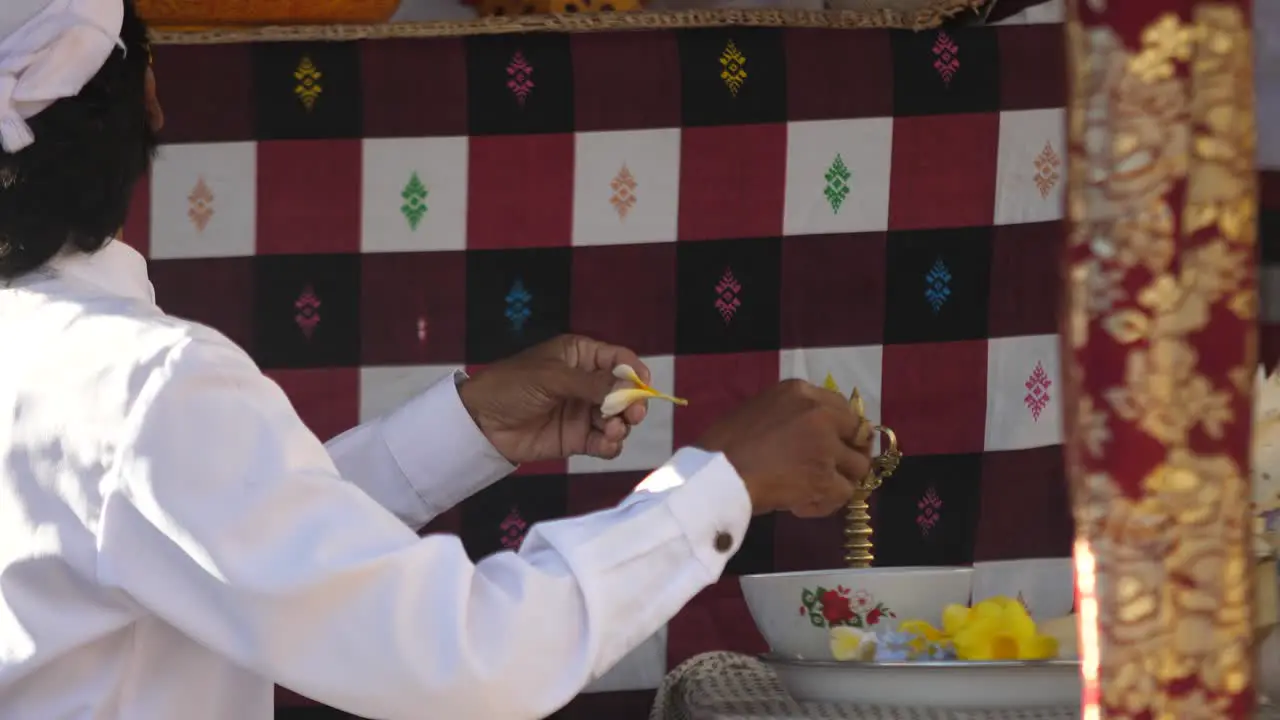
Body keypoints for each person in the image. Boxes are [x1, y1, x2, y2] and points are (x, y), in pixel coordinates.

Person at [0, 1, 873, 718]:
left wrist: (467, 427)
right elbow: (472, 659)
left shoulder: (80, 370)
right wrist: (722, 484)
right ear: (151, 97)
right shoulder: (142, 385)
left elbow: (213, 533)